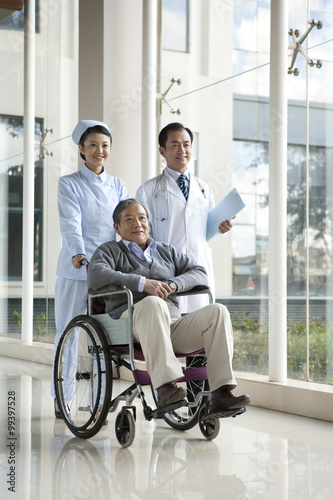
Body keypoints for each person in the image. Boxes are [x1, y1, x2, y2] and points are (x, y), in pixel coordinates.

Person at [87, 199, 250, 414]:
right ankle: (165, 388)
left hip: (170, 323)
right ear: (117, 227)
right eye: (129, 219)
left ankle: (221, 393)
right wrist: (142, 283)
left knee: (218, 311)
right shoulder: (109, 250)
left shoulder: (166, 251)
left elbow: (200, 272)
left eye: (142, 218)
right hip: (132, 324)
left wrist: (173, 284)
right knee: (153, 303)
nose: (138, 223)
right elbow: (96, 275)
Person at [52, 120, 129, 415]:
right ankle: (63, 396)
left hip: (108, 270)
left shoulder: (118, 185)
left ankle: (99, 398)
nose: (100, 150)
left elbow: (124, 222)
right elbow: (71, 224)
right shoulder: (69, 183)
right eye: (94, 145)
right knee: (69, 334)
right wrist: (79, 254)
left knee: (103, 337)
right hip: (77, 270)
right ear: (82, 149)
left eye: (105, 145)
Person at [135, 122, 233, 313]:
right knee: (172, 329)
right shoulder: (147, 191)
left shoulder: (204, 189)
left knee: (203, 327)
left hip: (199, 266)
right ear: (162, 151)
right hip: (167, 272)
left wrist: (221, 229)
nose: (182, 150)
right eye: (175, 144)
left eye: (187, 144)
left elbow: (208, 233)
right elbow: (141, 237)